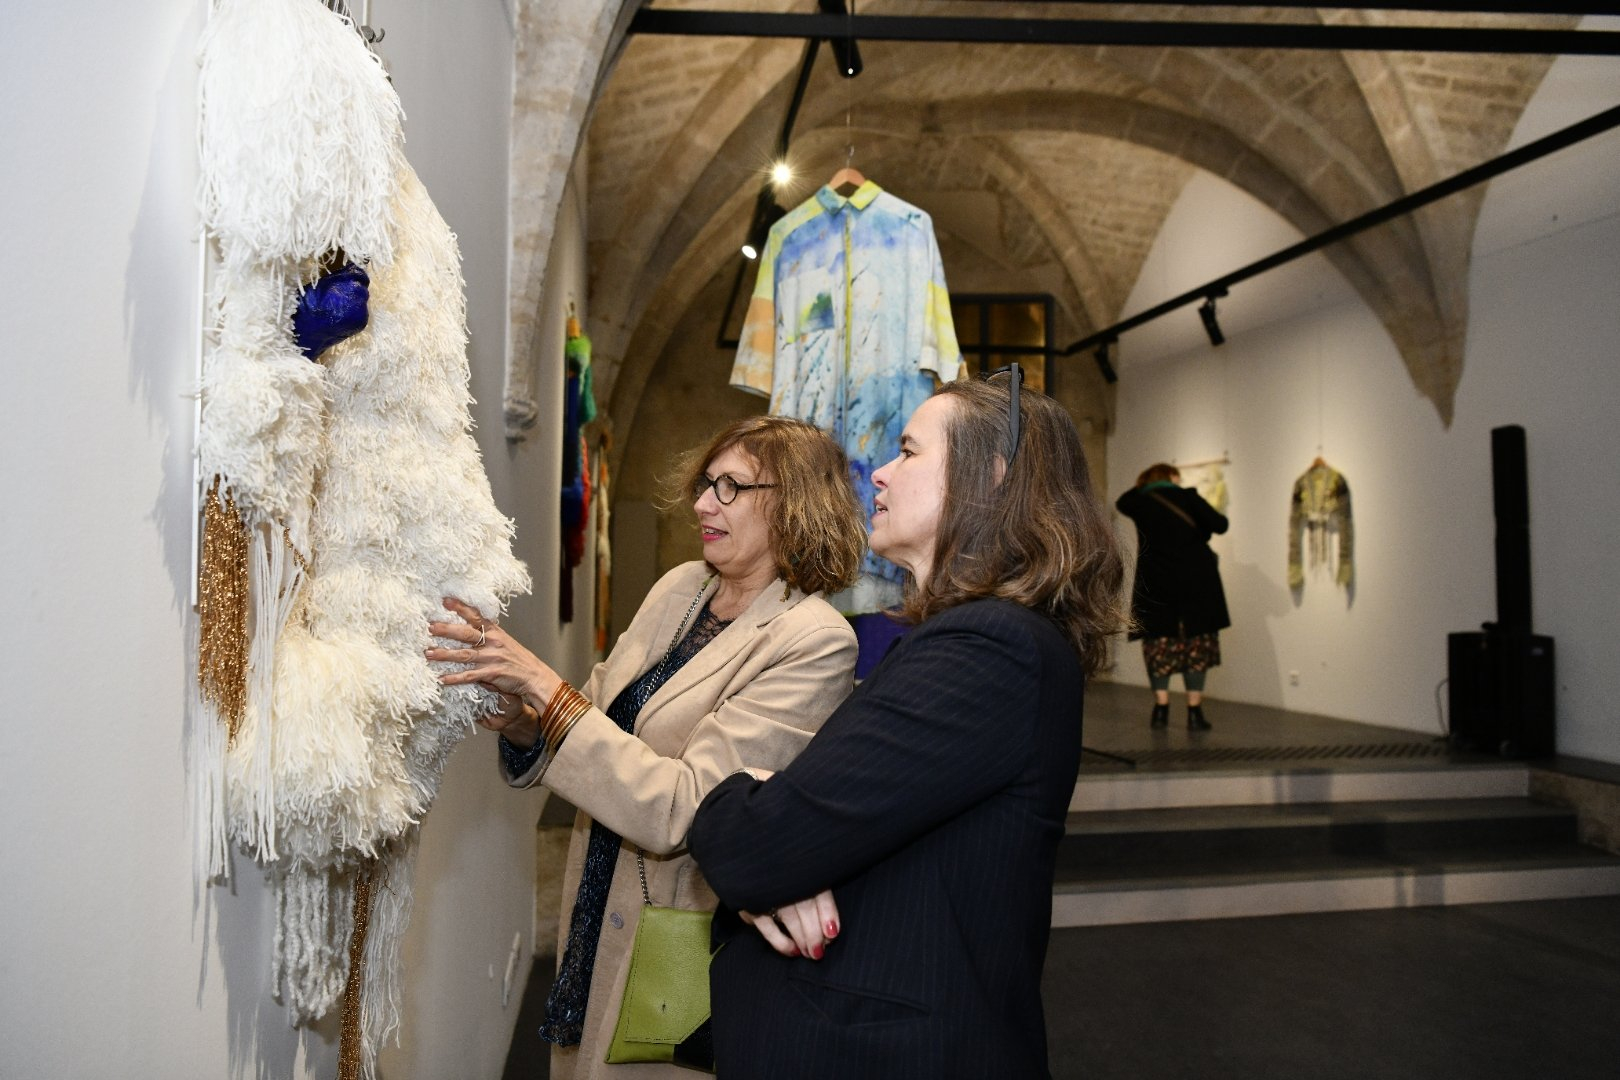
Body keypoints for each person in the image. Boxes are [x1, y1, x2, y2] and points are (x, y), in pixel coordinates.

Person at [686, 369, 1128, 1079]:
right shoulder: (973, 642)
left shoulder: (989, 650)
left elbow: (750, 849)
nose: (881, 474)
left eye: (909, 451)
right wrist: (781, 831)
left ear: (990, 475)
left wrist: (746, 791)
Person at [427, 416, 866, 1079]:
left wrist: (546, 687)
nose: (701, 503)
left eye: (730, 487)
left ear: (795, 500)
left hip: (680, 928)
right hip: (596, 893)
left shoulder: (812, 639)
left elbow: (686, 808)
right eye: (703, 484)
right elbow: (600, 718)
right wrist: (522, 720)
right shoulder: (681, 588)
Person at [1115, 463, 1230, 731]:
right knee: (1196, 644)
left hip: (1158, 583)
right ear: (1172, 477)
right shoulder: (1188, 498)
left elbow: (1123, 501)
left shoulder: (1141, 501)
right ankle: (1194, 711)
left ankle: (1161, 708)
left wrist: (1147, 485)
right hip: (1197, 582)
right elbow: (1220, 525)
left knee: (1159, 644)